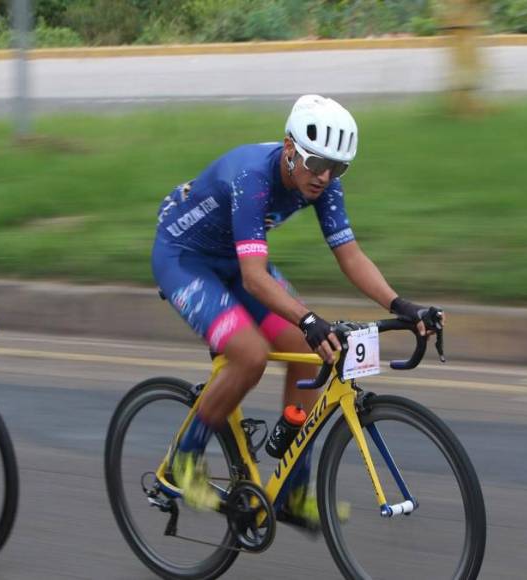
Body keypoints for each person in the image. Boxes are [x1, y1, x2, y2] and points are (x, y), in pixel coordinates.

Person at [151, 94, 441, 527]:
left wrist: (402, 305)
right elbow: (254, 278)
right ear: (289, 148)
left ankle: (291, 490)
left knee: (311, 353)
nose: (324, 177)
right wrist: (306, 318)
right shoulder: (253, 176)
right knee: (249, 355)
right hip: (185, 259)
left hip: (234, 261)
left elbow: (350, 255)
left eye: (337, 168)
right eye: (316, 164)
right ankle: (183, 461)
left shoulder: (320, 181)